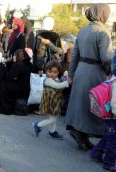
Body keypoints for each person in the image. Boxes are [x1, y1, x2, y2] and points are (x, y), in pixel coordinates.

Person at [65, 4, 114, 150]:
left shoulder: (83, 30)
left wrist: (71, 74)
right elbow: (106, 58)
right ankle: (85, 137)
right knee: (94, 105)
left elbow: (74, 55)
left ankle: (81, 135)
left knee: (82, 104)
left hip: (81, 70)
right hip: (95, 73)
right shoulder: (103, 32)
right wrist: (110, 73)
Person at [32, 61, 70, 140]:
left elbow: (58, 81)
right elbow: (58, 85)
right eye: (50, 71)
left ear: (58, 72)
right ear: (47, 71)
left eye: (55, 72)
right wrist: (67, 82)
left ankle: (52, 132)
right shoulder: (48, 80)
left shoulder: (54, 78)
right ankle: (38, 125)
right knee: (53, 118)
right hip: (50, 102)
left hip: (54, 101)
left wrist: (65, 76)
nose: (52, 74)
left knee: (52, 117)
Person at [0, 49, 32, 115]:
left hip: (20, 89)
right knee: (5, 84)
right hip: (26, 89)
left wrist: (8, 64)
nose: (13, 57)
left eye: (14, 55)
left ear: (17, 56)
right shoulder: (27, 64)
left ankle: (4, 109)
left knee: (3, 85)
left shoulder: (19, 65)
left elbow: (9, 77)